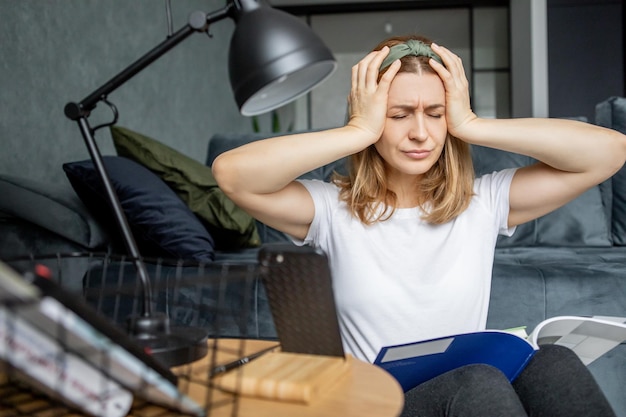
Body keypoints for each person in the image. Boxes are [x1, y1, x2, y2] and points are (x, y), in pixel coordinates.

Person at [212, 35, 626, 416]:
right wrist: (357, 130)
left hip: (471, 394)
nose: (421, 133)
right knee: (477, 383)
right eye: (399, 115)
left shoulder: (482, 202)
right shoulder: (329, 209)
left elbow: (609, 151)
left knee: (553, 362)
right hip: (380, 406)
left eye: (436, 113)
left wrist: (473, 125)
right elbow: (233, 174)